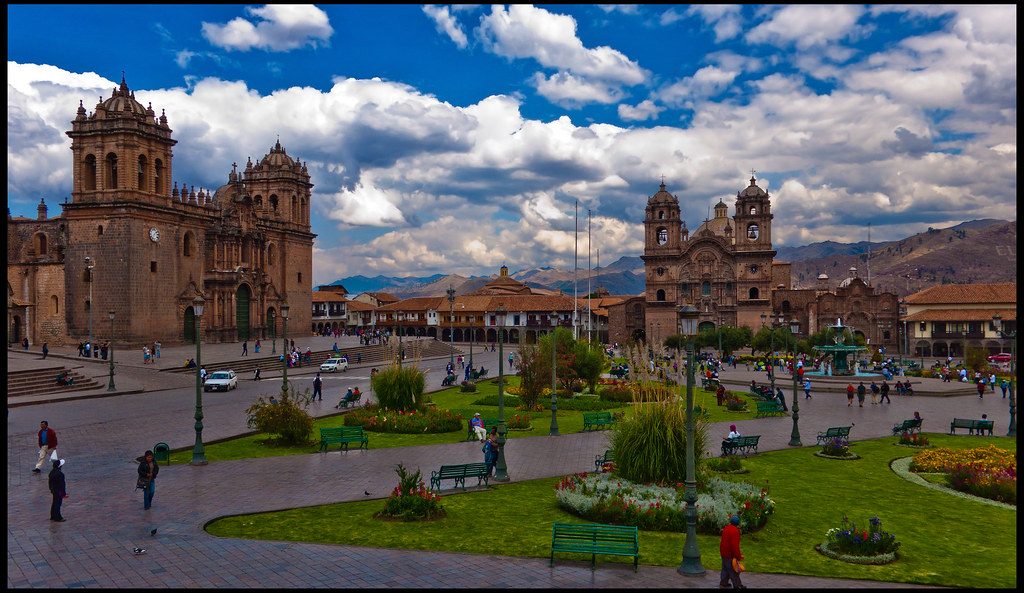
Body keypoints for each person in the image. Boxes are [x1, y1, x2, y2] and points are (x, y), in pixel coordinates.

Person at [719, 514, 744, 588]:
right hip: (729, 554)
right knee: (733, 571)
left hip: (723, 552)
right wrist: (738, 556)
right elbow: (735, 546)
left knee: (725, 569)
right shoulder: (735, 531)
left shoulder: (726, 528)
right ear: (738, 523)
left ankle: (723, 584)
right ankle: (738, 585)